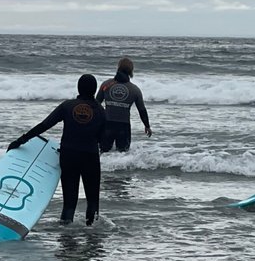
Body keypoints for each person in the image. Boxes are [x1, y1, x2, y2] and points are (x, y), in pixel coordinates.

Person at [8, 74, 107, 225]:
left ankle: (66, 237)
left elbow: (44, 125)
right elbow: (104, 141)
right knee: (93, 201)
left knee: (69, 202)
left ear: (78, 88)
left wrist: (21, 140)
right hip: (90, 157)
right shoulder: (100, 111)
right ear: (94, 90)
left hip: (68, 156)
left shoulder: (67, 106)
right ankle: (92, 236)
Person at [98, 57, 151, 152]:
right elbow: (142, 110)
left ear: (118, 68)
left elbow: (96, 104)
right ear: (131, 71)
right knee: (123, 155)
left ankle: (103, 167)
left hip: (107, 125)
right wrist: (147, 126)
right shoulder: (135, 90)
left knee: (103, 153)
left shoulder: (106, 84)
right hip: (123, 126)